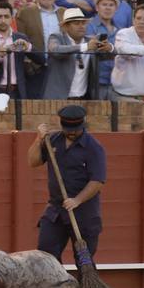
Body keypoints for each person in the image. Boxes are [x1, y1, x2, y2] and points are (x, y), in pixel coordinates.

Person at [28, 105, 106, 262]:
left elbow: (97, 181)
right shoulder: (53, 140)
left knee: (84, 262)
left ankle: (86, 287)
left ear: (82, 125)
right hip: (56, 211)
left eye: (75, 129)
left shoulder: (94, 148)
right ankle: (58, 287)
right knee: (46, 257)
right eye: (68, 128)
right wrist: (39, 139)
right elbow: (33, 162)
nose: (71, 132)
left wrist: (77, 200)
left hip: (84, 214)